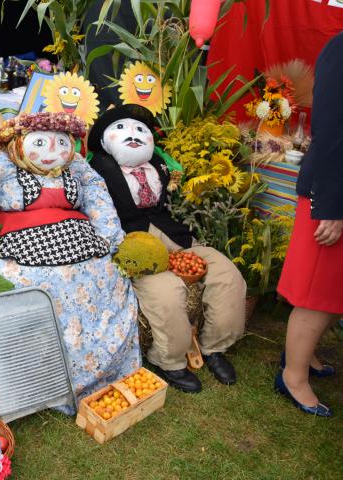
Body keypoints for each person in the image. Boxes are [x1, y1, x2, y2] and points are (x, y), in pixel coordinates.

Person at [0, 112, 141, 412]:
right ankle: (47, 383)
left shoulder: (77, 166)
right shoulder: (0, 165)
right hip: (20, 243)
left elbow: (97, 193)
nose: (51, 151)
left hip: (78, 239)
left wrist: (110, 237)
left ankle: (102, 369)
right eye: (40, 143)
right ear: (19, 142)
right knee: (35, 286)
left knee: (108, 277)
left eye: (61, 143)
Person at [89, 105, 246, 393]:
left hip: (176, 236)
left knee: (227, 274)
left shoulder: (161, 165)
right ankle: (170, 360)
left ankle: (215, 346)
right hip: (138, 247)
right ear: (103, 140)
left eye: (140, 130)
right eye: (121, 128)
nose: (133, 135)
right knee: (166, 292)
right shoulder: (96, 170)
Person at [275, 32, 343, 418]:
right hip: (331, 193)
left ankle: (306, 355)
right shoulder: (341, 48)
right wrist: (331, 206)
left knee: (334, 290)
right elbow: (331, 129)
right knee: (316, 294)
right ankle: (293, 376)